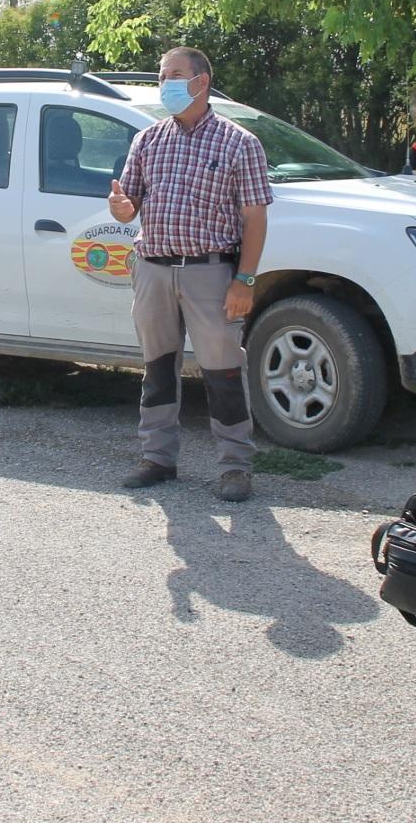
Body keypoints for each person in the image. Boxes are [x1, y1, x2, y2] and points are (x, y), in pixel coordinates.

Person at [108, 46, 273, 503]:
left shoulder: (239, 142)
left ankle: (235, 467)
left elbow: (255, 218)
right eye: (162, 76)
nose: (166, 84)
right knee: (158, 369)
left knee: (222, 371)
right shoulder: (149, 140)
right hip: (154, 270)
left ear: (201, 82)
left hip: (210, 272)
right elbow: (130, 205)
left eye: (175, 75)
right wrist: (122, 208)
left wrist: (246, 280)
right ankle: (157, 458)